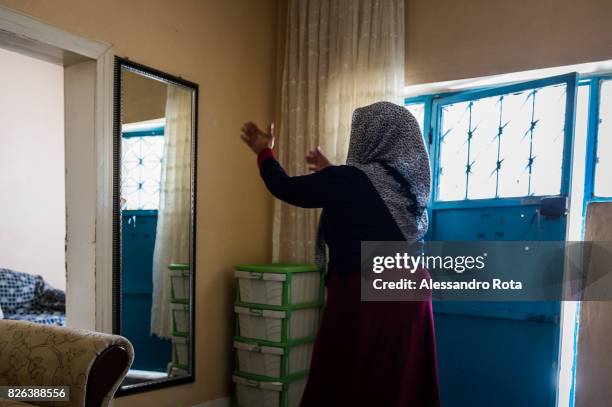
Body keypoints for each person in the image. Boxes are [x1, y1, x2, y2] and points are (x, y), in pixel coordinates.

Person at [240, 101, 440, 407]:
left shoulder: (350, 180)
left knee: (345, 380)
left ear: (370, 135)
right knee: (400, 384)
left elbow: (286, 188)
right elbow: (368, 205)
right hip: (412, 294)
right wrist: (332, 173)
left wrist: (264, 152)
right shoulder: (406, 186)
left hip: (367, 295)